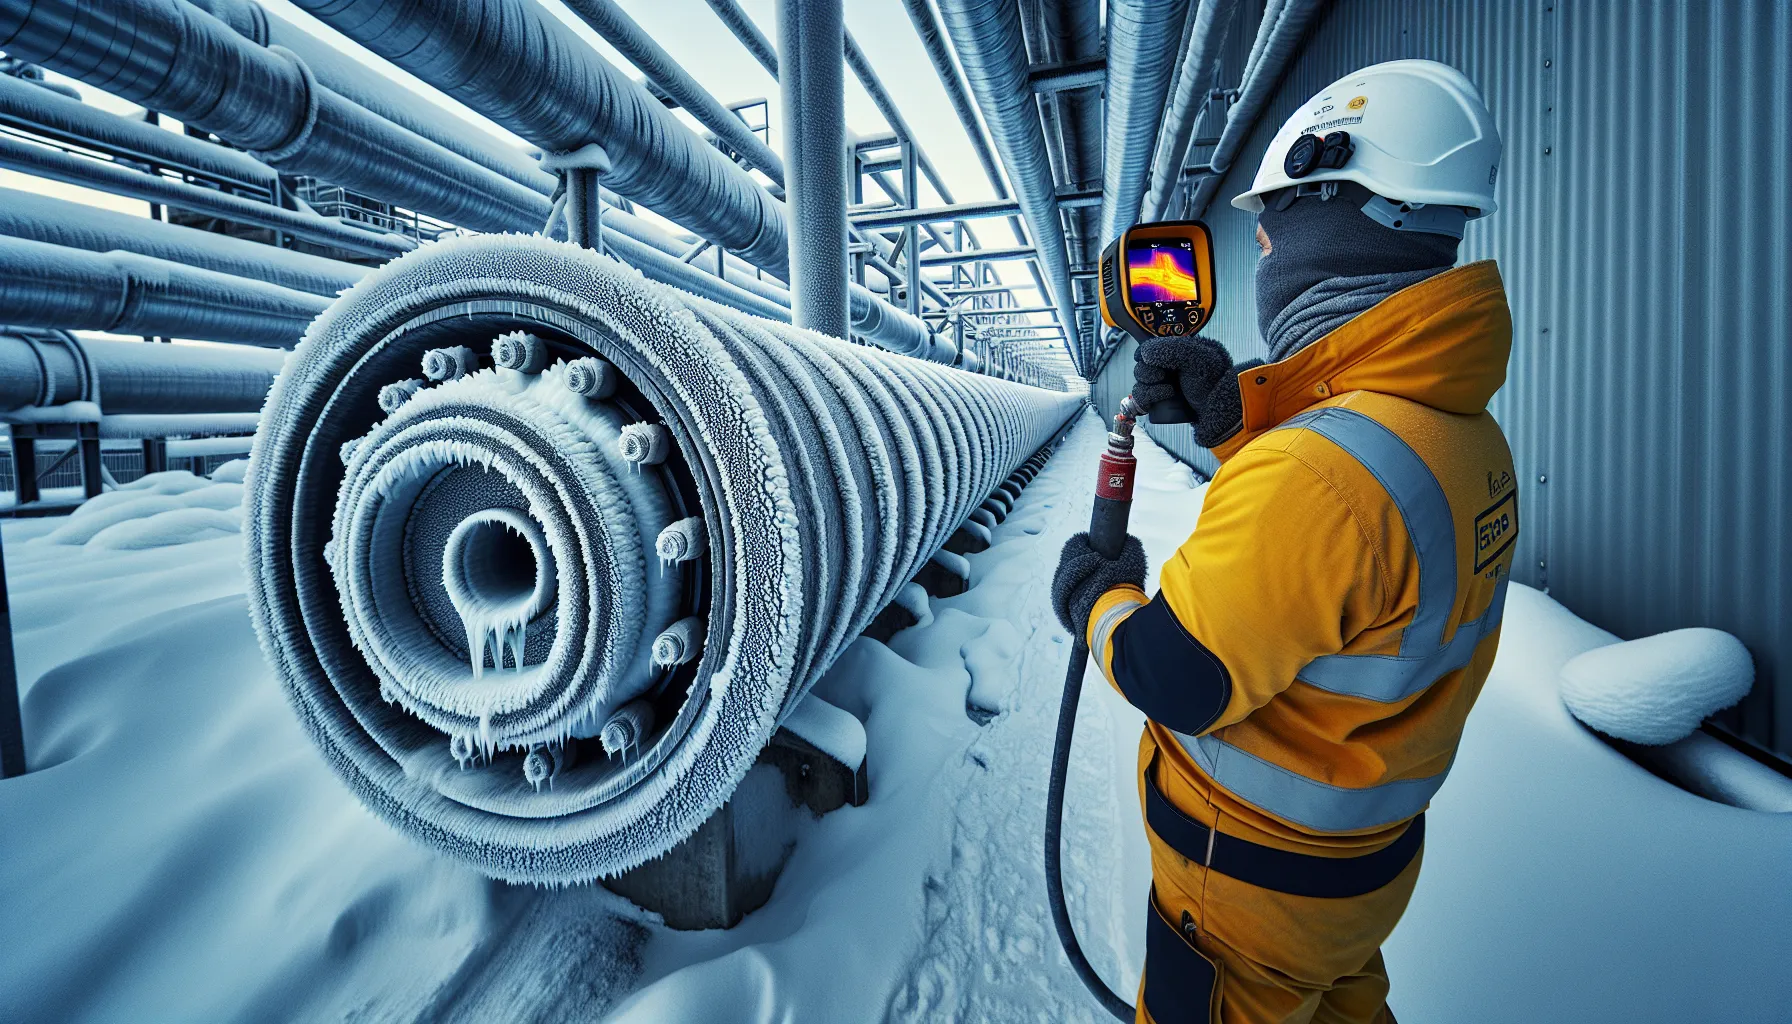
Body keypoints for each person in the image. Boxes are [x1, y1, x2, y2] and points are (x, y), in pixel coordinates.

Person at [1052, 60, 1518, 1024]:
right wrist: (1241, 427)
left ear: (1338, 224)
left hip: (1244, 892)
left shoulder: (1312, 478)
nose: (1259, 244)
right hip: (1358, 879)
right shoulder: (1460, 436)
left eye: (1275, 221)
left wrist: (1097, 598)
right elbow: (1349, 567)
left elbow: (1175, 674)